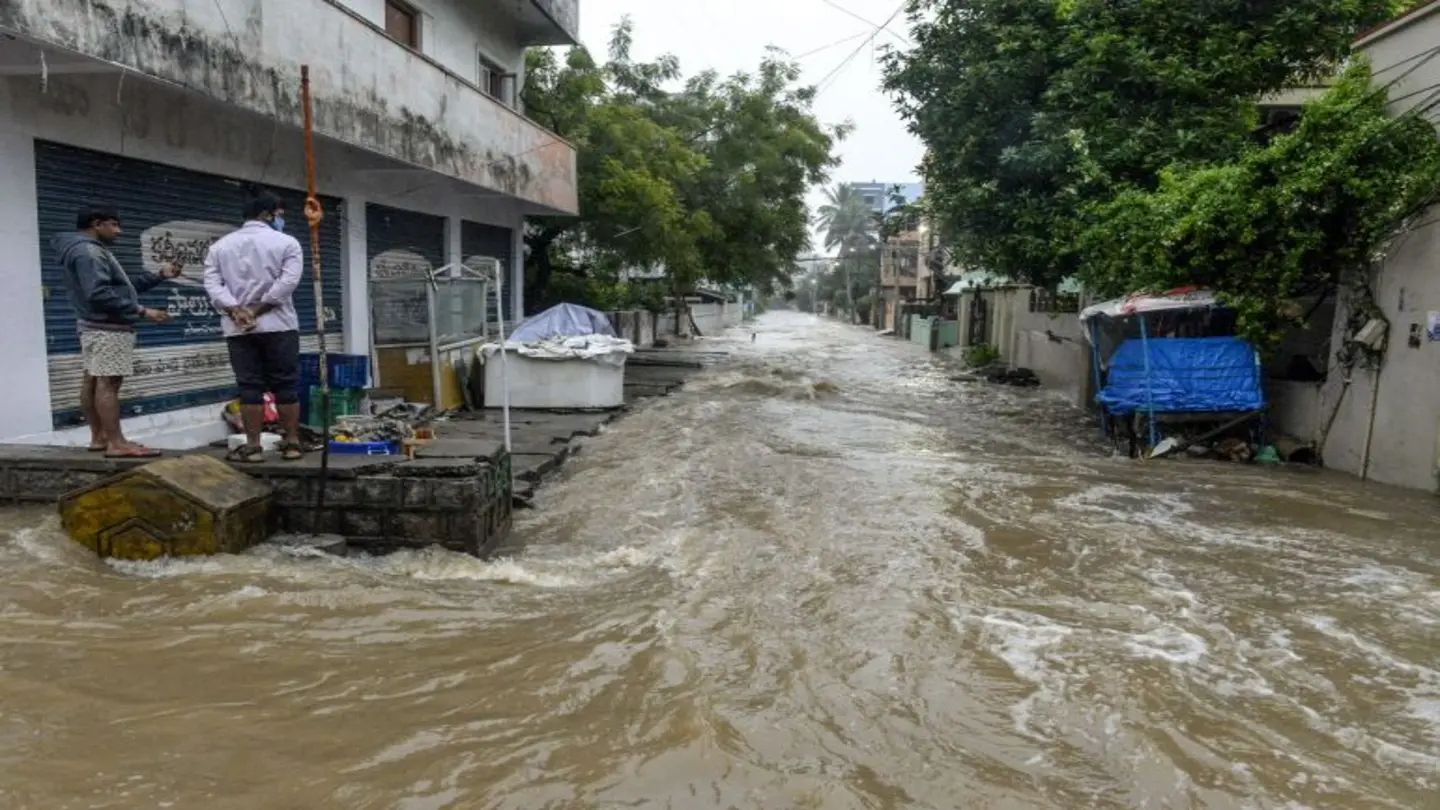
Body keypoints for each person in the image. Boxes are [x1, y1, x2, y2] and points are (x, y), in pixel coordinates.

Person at [53, 205, 182, 458]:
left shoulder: (83, 250)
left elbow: (120, 288)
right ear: (96, 224)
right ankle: (116, 443)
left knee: (93, 379)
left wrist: (160, 276)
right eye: (114, 225)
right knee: (108, 382)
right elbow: (99, 294)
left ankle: (100, 437)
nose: (119, 231)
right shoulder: (90, 252)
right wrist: (143, 311)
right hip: (107, 327)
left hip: (93, 326)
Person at [203, 191, 306, 462]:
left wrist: (236, 311)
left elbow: (212, 285)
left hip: (239, 329)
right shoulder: (287, 243)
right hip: (280, 325)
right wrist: (257, 310)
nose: (281, 220)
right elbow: (288, 282)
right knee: (286, 385)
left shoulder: (220, 247)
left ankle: (253, 447)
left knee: (249, 386)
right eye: (279, 215)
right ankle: (292, 443)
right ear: (266, 214)